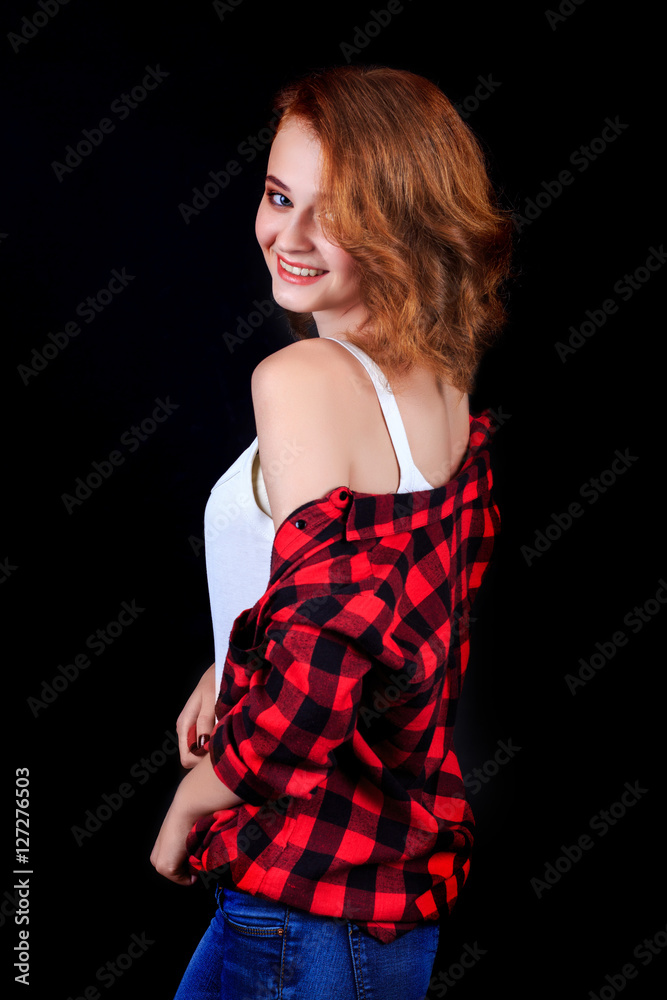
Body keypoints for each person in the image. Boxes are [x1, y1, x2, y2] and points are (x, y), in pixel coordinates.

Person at [150, 64, 513, 999]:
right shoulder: (437, 374)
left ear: (402, 221)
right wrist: (231, 660)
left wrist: (199, 792)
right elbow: (388, 602)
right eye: (279, 196)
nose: (290, 236)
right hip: (383, 886)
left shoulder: (302, 380)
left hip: (306, 889)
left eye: (338, 213)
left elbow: (321, 671)